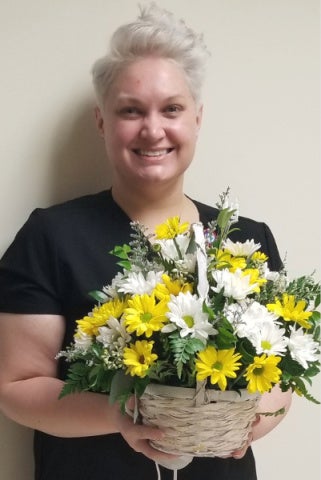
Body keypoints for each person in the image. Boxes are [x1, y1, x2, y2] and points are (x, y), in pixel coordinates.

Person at [0, 4, 292, 480]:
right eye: (130, 110)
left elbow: (280, 377)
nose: (153, 129)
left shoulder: (247, 240)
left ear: (197, 118)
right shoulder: (51, 237)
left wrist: (245, 424)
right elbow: (16, 386)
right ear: (102, 122)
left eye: (172, 109)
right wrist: (122, 416)